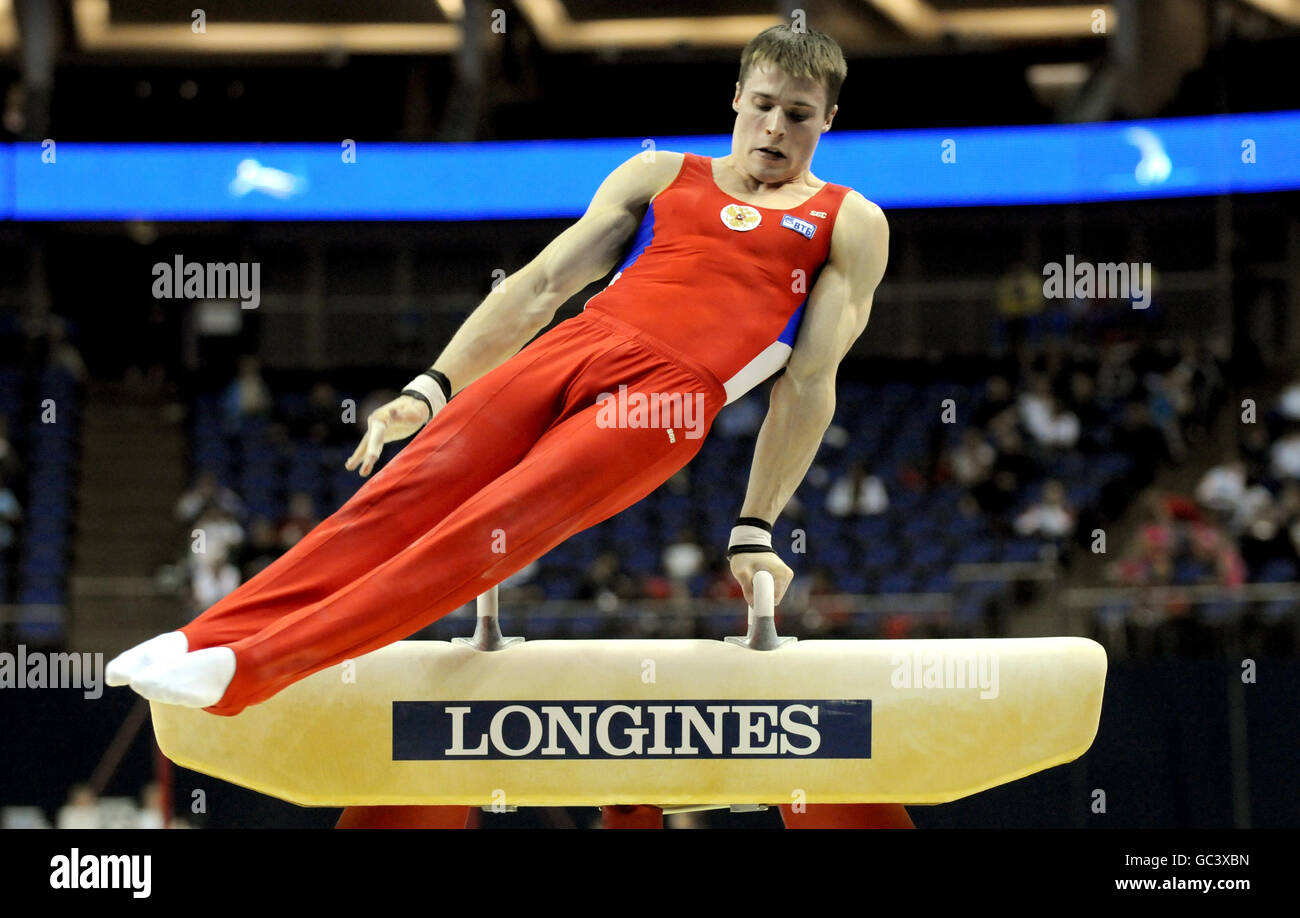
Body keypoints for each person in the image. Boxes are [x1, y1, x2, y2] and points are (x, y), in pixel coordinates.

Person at [109, 24, 908, 830]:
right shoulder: (661, 174)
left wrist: (755, 525)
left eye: (799, 115)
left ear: (828, 120)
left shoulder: (850, 223)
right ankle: (208, 635)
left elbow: (809, 381)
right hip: (577, 342)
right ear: (737, 98)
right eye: (764, 105)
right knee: (402, 492)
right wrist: (432, 386)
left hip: (666, 396)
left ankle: (250, 668)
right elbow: (538, 288)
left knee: (489, 526)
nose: (775, 129)